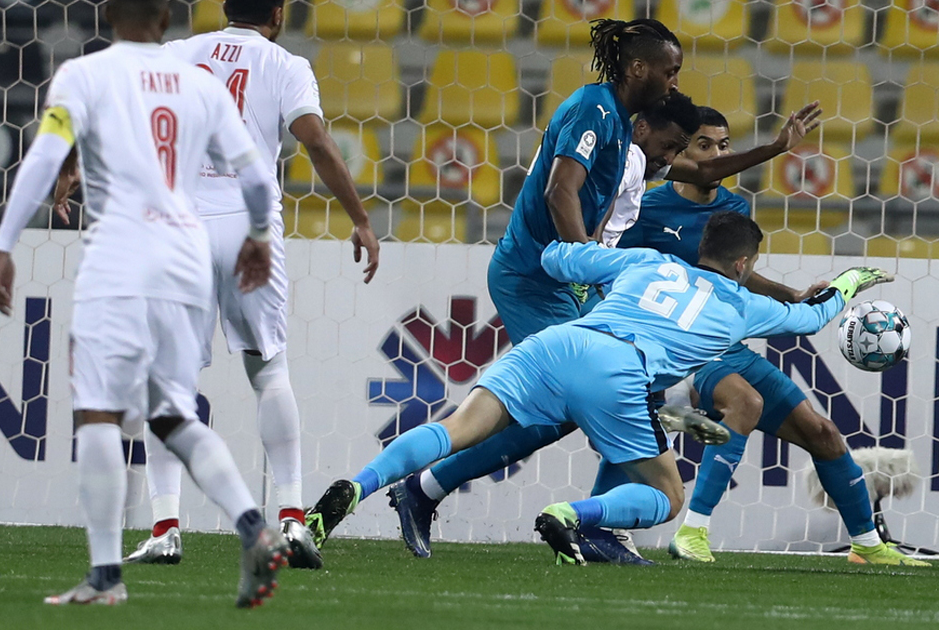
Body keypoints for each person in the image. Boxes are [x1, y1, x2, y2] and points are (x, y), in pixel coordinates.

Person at [380, 50, 822, 561]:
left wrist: (773, 148)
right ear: (643, 113)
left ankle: (596, 522)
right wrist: (586, 271)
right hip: (539, 278)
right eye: (675, 145)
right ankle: (426, 488)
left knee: (626, 396)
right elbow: (560, 192)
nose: (675, 159)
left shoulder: (637, 152)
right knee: (555, 411)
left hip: (571, 285)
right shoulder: (617, 140)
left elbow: (703, 171)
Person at [302, 212, 893, 563]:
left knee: (453, 428)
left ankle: (351, 492)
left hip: (559, 341)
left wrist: (582, 254)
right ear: (743, 264)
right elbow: (812, 319)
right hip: (618, 372)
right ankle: (572, 514)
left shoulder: (646, 262)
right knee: (666, 497)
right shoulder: (743, 305)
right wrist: (846, 281)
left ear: (702, 251)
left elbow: (560, 257)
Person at [55, 0, 381, 570]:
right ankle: (290, 521)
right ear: (279, 13)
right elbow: (314, 139)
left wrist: (72, 162)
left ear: (225, 5)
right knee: (270, 372)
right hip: (249, 230)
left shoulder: (182, 52)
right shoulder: (285, 65)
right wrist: (359, 218)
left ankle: (166, 527)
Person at [0, 0, 290, 607]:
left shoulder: (85, 74)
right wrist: (262, 239)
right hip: (184, 257)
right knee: (172, 414)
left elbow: (45, 157)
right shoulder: (198, 84)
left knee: (98, 410)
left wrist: (5, 242)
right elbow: (259, 179)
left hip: (119, 255)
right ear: (166, 18)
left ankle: (104, 578)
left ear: (107, 14)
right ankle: (253, 526)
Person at [616, 108, 927, 566]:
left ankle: (868, 545)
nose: (719, 154)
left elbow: (740, 277)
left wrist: (794, 296)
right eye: (706, 145)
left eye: (724, 146)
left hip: (728, 344)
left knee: (822, 434)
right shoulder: (649, 205)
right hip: (686, 347)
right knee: (745, 404)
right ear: (683, 151)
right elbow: (621, 272)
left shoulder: (734, 209)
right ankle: (690, 534)